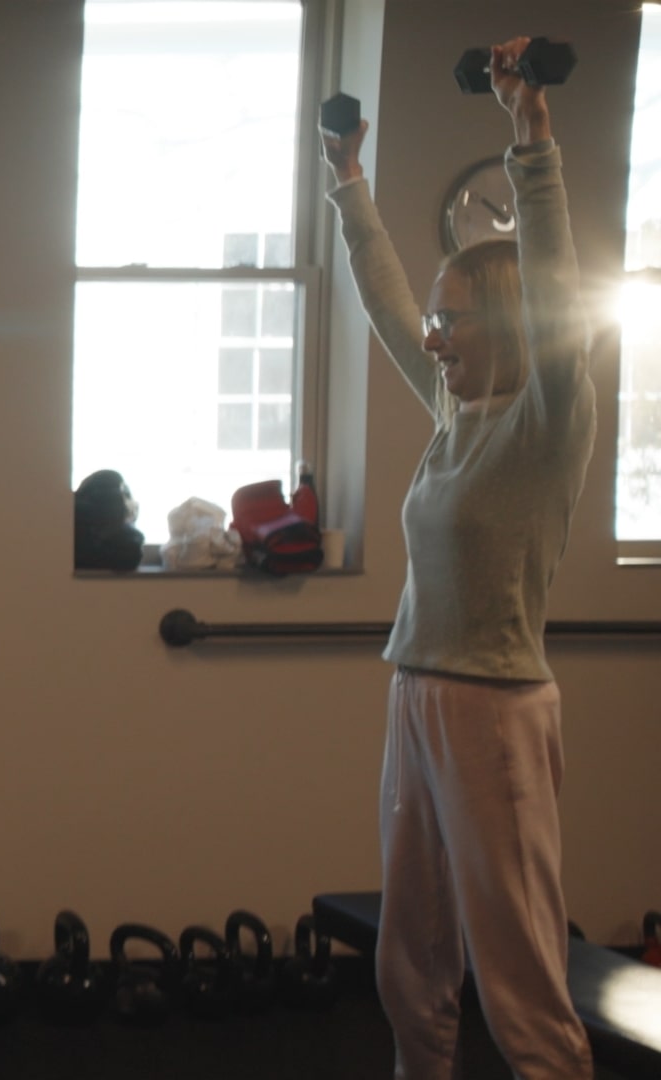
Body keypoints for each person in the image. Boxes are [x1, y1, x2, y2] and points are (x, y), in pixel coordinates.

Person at [321, 39, 594, 1079]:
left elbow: (559, 287)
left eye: (452, 319)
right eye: (436, 319)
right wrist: (348, 183)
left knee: (516, 975)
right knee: (411, 963)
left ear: (508, 322)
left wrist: (532, 139)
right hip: (419, 695)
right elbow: (391, 305)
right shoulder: (456, 414)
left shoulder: (544, 423)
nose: (432, 337)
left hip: (495, 709)